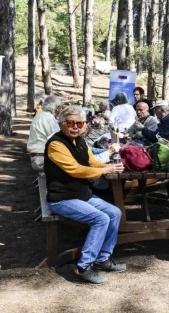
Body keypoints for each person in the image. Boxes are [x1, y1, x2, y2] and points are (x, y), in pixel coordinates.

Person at [44, 106, 126, 285]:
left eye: (79, 123)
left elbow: (91, 162)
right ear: (61, 124)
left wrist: (112, 165)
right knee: (101, 219)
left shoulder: (80, 141)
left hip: (82, 195)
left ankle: (103, 258)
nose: (75, 126)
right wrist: (106, 170)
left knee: (115, 212)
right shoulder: (56, 144)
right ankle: (84, 266)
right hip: (62, 198)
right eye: (70, 123)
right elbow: (75, 170)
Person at [27, 95, 62, 171]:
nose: (61, 109)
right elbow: (58, 138)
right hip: (42, 158)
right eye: (60, 107)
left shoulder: (40, 116)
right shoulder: (48, 118)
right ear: (55, 107)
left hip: (37, 156)